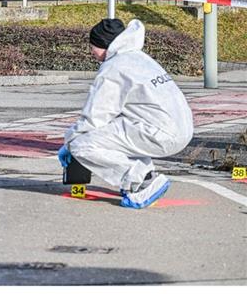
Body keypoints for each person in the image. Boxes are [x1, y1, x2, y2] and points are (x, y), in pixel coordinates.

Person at [58, 18, 194, 209]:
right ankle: (143, 173)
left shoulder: (113, 68)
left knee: (82, 145)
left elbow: (95, 116)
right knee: (115, 132)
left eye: (93, 47)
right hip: (181, 128)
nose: (91, 52)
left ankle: (141, 181)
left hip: (161, 133)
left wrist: (70, 141)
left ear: (106, 45)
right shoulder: (139, 58)